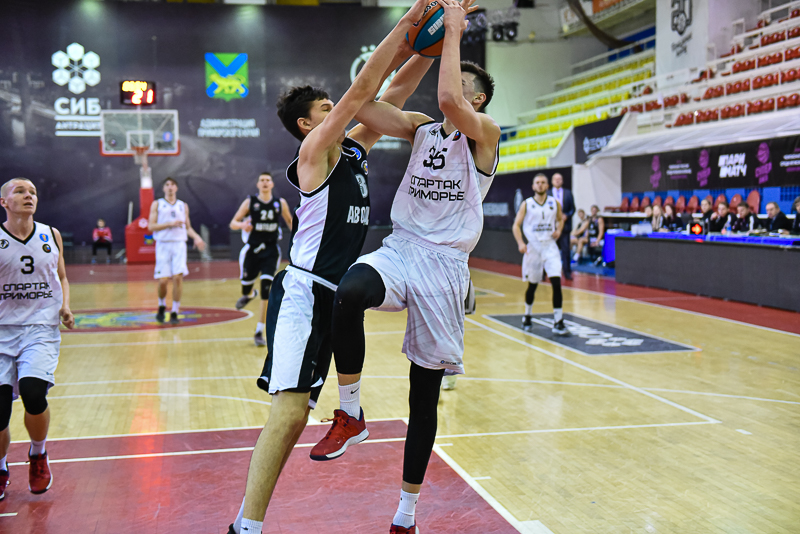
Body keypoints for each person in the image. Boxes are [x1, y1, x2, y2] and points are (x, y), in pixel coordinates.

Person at [228, 5, 434, 533]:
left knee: (298, 414)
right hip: (303, 294)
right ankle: (245, 527)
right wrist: (408, 22)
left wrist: (432, 45)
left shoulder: (354, 150)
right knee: (289, 412)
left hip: (334, 296)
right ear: (307, 124)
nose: (340, 110)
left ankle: (251, 520)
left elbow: (392, 96)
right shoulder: (315, 151)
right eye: (328, 107)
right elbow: (364, 89)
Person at [308, 2, 492, 532]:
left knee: (423, 396)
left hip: (445, 265)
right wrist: (413, 43)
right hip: (403, 248)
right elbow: (362, 104)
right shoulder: (420, 129)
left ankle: (406, 512)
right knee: (349, 290)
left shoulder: (486, 133)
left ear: (479, 99)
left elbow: (450, 98)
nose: (451, 83)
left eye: (462, 80)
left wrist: (452, 30)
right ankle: (351, 413)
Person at [0, 178, 74, 501]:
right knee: (0, 411)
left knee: (33, 392)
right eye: (19, 192)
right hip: (2, 329)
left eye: (32, 192)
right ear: (4, 202)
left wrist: (65, 306)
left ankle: (38, 453)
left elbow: (62, 277)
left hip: (40, 328)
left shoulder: (50, 234)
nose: (28, 196)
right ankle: (1, 466)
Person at [229, 172, 293, 346]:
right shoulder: (250, 202)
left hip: (271, 251)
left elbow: (290, 221)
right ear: (257, 184)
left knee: (267, 288)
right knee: (246, 286)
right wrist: (242, 225)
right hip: (252, 251)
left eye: (268, 180)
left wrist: (299, 237)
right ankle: (249, 294)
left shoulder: (280, 203)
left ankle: (259, 331)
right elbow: (233, 223)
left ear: (272, 184)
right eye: (262, 180)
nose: (265, 183)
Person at [512, 174, 568, 336]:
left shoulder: (554, 203)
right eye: (537, 183)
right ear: (533, 186)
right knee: (533, 284)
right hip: (534, 247)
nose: (540, 185)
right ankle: (527, 316)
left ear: (547, 186)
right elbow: (516, 225)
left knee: (556, 282)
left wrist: (559, 230)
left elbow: (560, 219)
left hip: (550, 246)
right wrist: (521, 243)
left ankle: (558, 321)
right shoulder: (527, 204)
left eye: (543, 182)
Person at [148, 177, 206, 325]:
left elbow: (188, 227)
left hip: (179, 244)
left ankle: (175, 310)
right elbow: (151, 226)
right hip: (163, 245)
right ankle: (162, 305)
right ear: (163, 188)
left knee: (177, 278)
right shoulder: (157, 204)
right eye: (167, 185)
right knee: (163, 281)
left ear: (176, 188)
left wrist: (197, 237)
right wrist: (170, 224)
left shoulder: (182, 205)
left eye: (172, 185)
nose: (170, 187)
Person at [549, 172, 575, 280]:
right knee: (550, 250)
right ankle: (548, 272)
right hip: (551, 227)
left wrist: (566, 216)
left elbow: (573, 209)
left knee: (566, 251)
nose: (557, 181)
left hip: (565, 227)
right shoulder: (547, 194)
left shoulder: (568, 193)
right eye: (555, 179)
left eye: (559, 179)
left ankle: (567, 272)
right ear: (552, 181)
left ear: (562, 181)